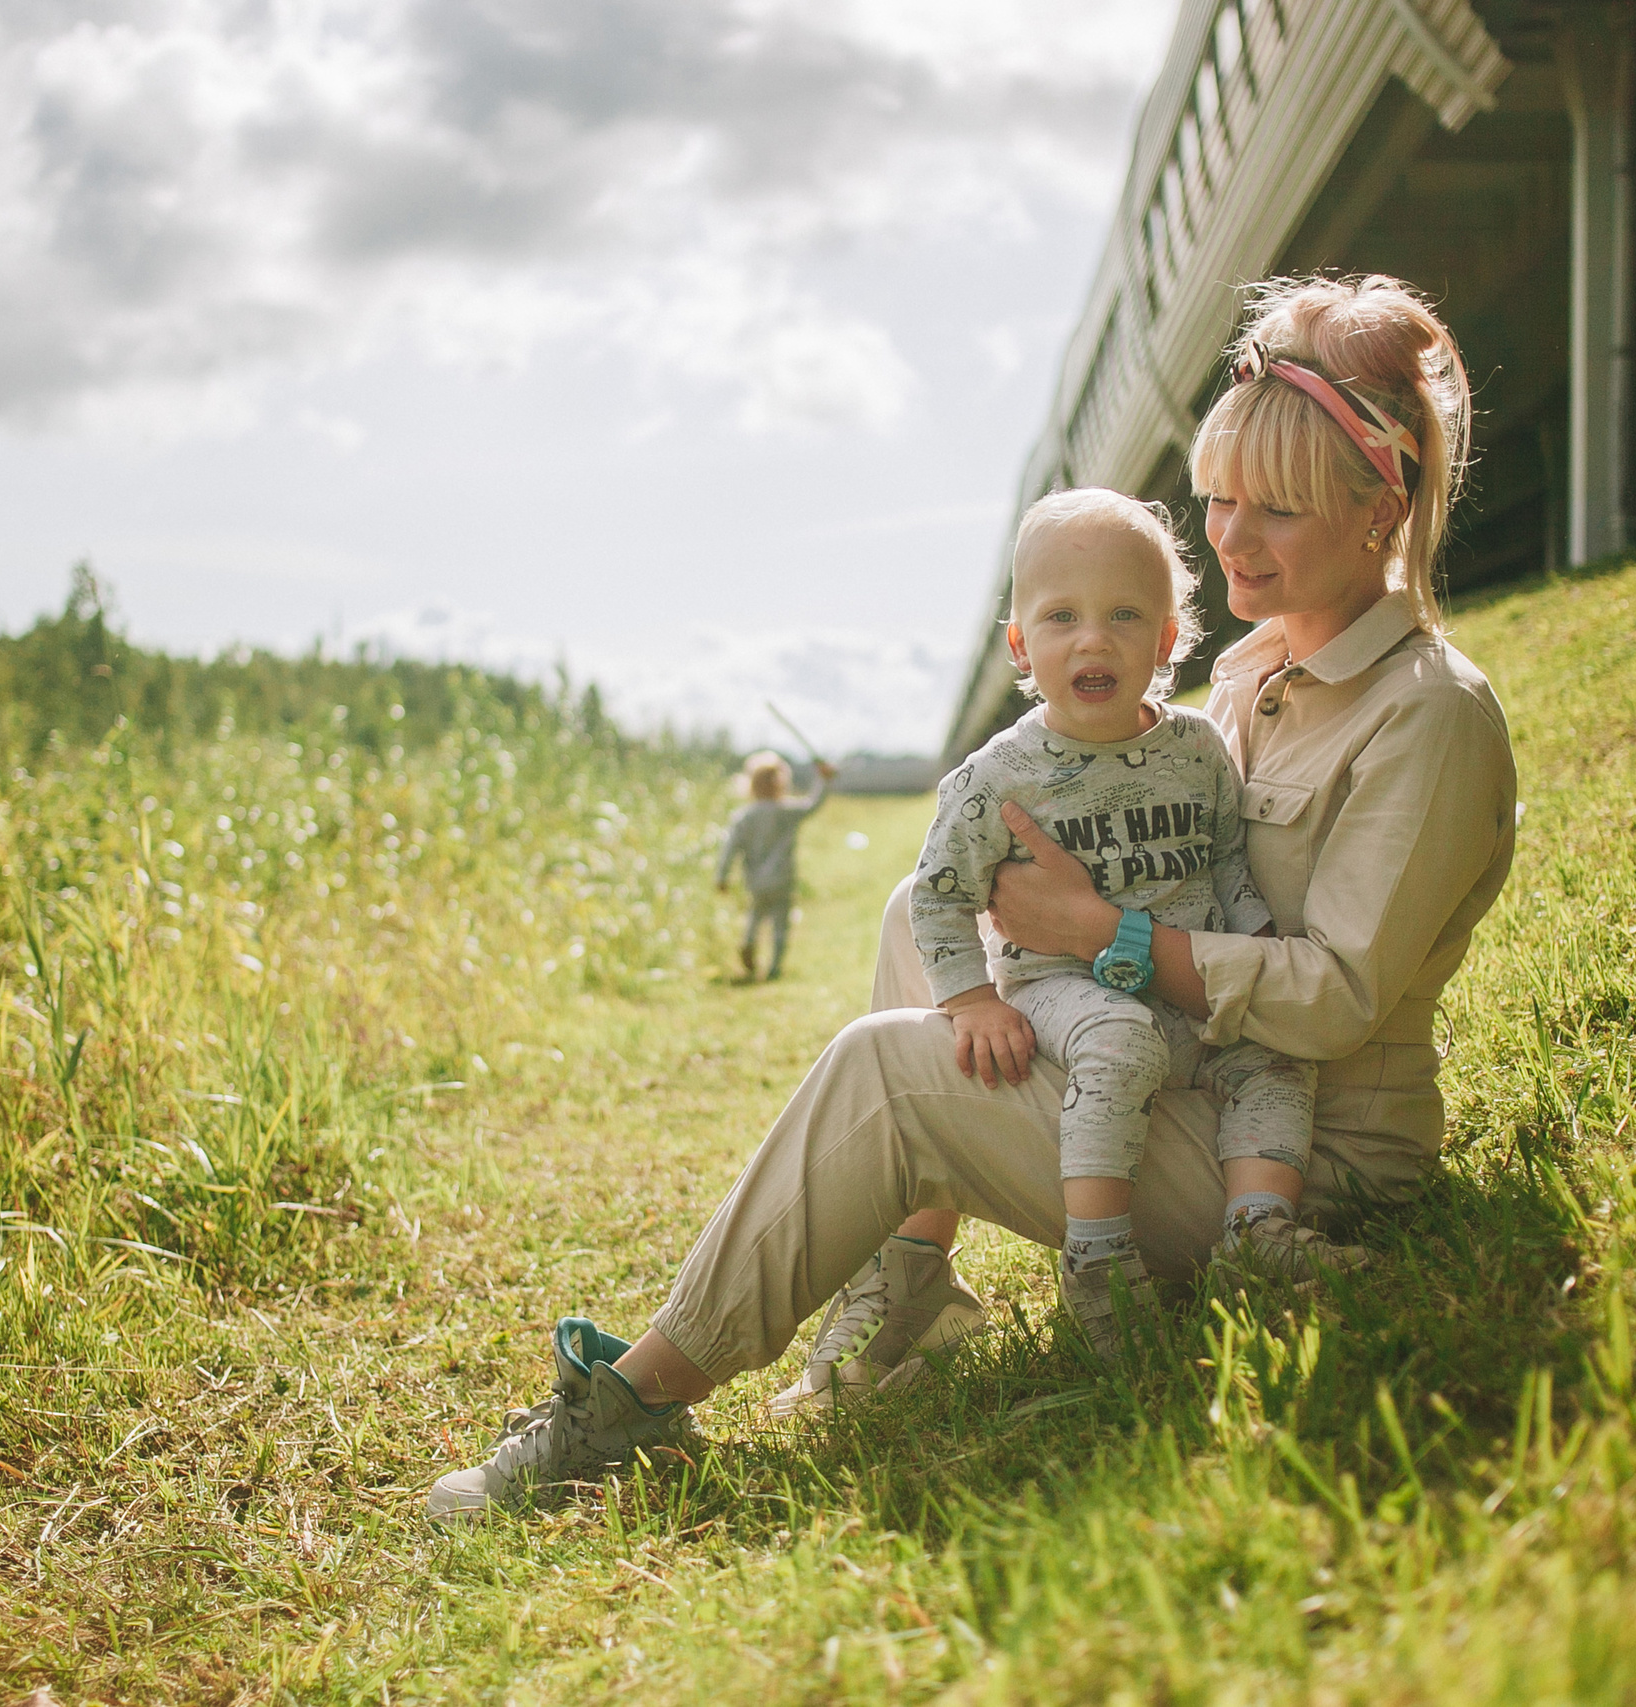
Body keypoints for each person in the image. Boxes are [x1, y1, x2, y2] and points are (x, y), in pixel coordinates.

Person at [430, 273, 1517, 1519]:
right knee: (918, 912)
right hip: (1189, 1077)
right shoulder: (1250, 674)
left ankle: (629, 1407)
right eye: (1220, 497)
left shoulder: (1427, 715)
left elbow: (1334, 999)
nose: (1230, 536)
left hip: (1301, 1161)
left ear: (1381, 507)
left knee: (886, 1068)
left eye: (1277, 507)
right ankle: (912, 1286)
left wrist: (1097, 933)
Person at [902, 487, 1343, 1363]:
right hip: (1062, 987)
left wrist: (1254, 941)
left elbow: (1225, 859)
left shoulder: (1197, 749)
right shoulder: (1000, 775)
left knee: (1275, 1055)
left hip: (1184, 980)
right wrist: (972, 1000)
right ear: (1021, 645)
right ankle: (1098, 1260)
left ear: (1167, 640)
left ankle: (1258, 1229)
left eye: (1125, 615)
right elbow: (937, 894)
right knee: (1122, 1040)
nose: (1093, 640)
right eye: (1062, 617)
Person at [716, 750, 835, 981]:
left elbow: (730, 848)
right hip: (782, 878)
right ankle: (774, 967)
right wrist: (824, 779)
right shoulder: (785, 811)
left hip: (755, 880)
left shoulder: (744, 816)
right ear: (781, 783)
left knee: (755, 915)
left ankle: (749, 941)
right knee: (781, 923)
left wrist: (722, 876)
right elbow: (812, 804)